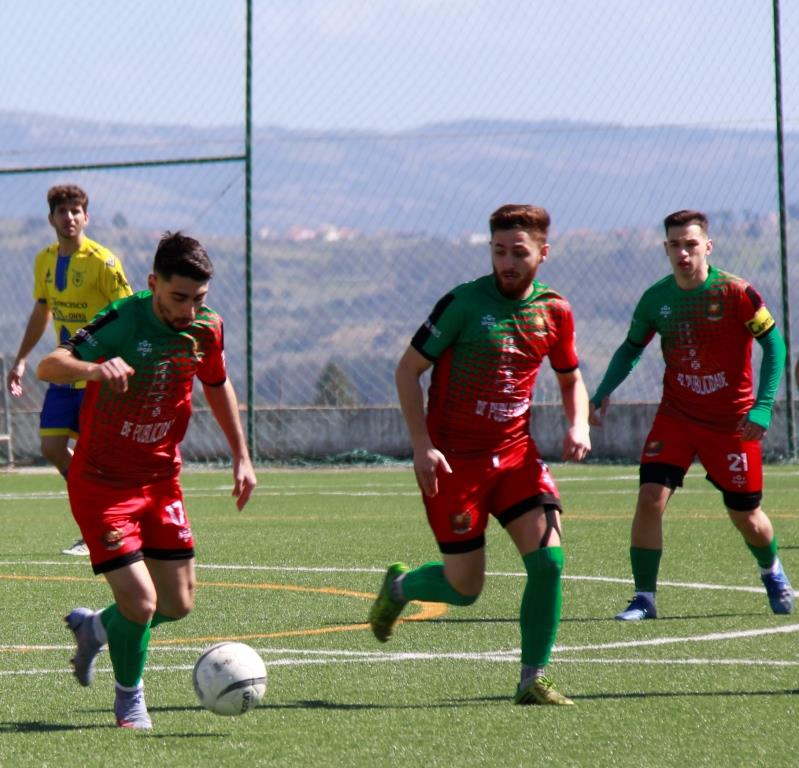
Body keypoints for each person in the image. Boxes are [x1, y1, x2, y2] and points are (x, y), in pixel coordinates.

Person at [368, 204, 591, 706]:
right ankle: (401, 588)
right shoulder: (463, 304)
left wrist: (577, 423)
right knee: (466, 589)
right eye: (499, 252)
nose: (507, 262)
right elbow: (408, 371)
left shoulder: (555, 310)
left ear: (543, 253)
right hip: (455, 464)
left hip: (516, 458)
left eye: (519, 253)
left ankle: (533, 678)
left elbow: (570, 376)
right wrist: (422, 446)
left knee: (550, 562)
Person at [37, 231, 257, 730]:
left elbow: (218, 386)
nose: (188, 309)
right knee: (141, 601)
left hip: (160, 480)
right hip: (102, 482)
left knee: (178, 604)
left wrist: (241, 456)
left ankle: (96, 628)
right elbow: (52, 365)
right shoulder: (121, 320)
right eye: (178, 297)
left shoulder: (207, 328)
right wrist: (93, 368)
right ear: (154, 283)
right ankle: (129, 700)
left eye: (198, 298)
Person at [589, 209, 792, 621]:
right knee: (649, 498)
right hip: (677, 417)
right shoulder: (656, 299)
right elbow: (631, 348)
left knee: (747, 516)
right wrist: (603, 391)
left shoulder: (738, 294)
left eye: (691, 244)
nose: (683, 253)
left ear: (707, 247)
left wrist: (764, 406)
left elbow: (775, 347)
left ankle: (772, 571)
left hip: (732, 422)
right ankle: (644, 598)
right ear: (666, 249)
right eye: (675, 245)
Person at [7, 184, 132, 556]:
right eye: (63, 211)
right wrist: (22, 358)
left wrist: (120, 364)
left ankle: (104, 528)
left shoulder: (103, 261)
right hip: (64, 373)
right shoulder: (44, 260)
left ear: (86, 217)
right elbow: (41, 312)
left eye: (76, 211)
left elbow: (127, 312)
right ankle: (98, 517)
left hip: (98, 376)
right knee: (51, 447)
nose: (70, 217)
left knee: (95, 457)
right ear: (51, 219)